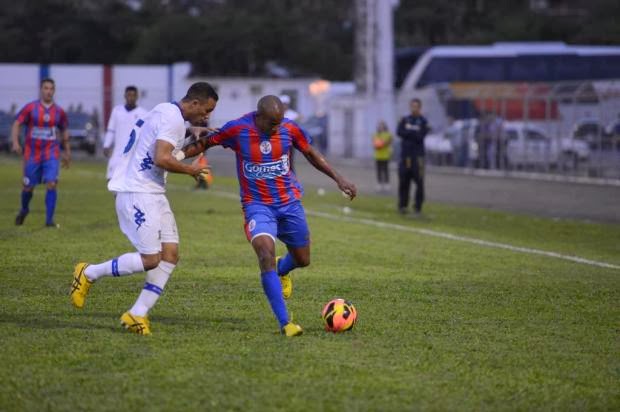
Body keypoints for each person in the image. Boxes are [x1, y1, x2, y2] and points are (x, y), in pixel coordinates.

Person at [178, 95, 357, 337]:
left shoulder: (289, 129)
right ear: (259, 117)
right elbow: (206, 142)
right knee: (265, 254)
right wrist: (176, 158)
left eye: (279, 123)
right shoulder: (238, 129)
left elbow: (311, 153)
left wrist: (339, 179)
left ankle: (283, 269)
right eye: (272, 123)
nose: (276, 128)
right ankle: (285, 323)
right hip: (257, 206)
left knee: (303, 259)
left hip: (289, 203)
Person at [70, 82, 218, 335]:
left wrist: (190, 129)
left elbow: (157, 135)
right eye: (206, 110)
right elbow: (162, 158)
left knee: (170, 254)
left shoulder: (165, 110)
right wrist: (190, 170)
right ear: (194, 103)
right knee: (151, 260)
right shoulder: (172, 119)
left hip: (153, 192)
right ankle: (89, 272)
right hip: (138, 193)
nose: (207, 116)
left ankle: (137, 314)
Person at [12, 78, 70, 227]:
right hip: (32, 155)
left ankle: (49, 221)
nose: (48, 91)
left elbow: (64, 130)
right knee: (28, 187)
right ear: (41, 89)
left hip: (51, 154)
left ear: (54, 91)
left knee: (52, 183)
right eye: (46, 88)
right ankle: (24, 210)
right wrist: (15, 142)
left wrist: (67, 152)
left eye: (51, 88)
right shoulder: (31, 108)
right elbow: (17, 123)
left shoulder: (59, 111)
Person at [103, 85, 148, 180]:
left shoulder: (143, 113)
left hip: (133, 155)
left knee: (129, 183)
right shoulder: (117, 111)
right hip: (117, 153)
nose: (131, 98)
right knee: (111, 180)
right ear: (125, 96)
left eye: (133, 95)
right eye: (129, 95)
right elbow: (111, 130)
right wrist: (106, 145)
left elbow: (145, 134)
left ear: (137, 97)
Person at [397, 98, 429, 215]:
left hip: (418, 157)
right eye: (412, 106)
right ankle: (403, 206)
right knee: (404, 181)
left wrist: (408, 132)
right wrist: (412, 133)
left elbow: (420, 136)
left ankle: (417, 207)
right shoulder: (404, 119)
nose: (414, 108)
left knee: (419, 182)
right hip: (406, 156)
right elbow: (399, 132)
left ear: (420, 108)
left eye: (416, 106)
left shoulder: (423, 121)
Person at [372, 120, 392, 192]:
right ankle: (379, 183)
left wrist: (382, 143)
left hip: (385, 156)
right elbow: (375, 144)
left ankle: (387, 183)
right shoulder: (375, 134)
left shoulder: (388, 134)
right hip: (378, 156)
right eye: (379, 125)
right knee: (379, 170)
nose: (380, 127)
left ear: (384, 126)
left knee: (385, 170)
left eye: (382, 125)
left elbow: (388, 142)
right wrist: (379, 144)